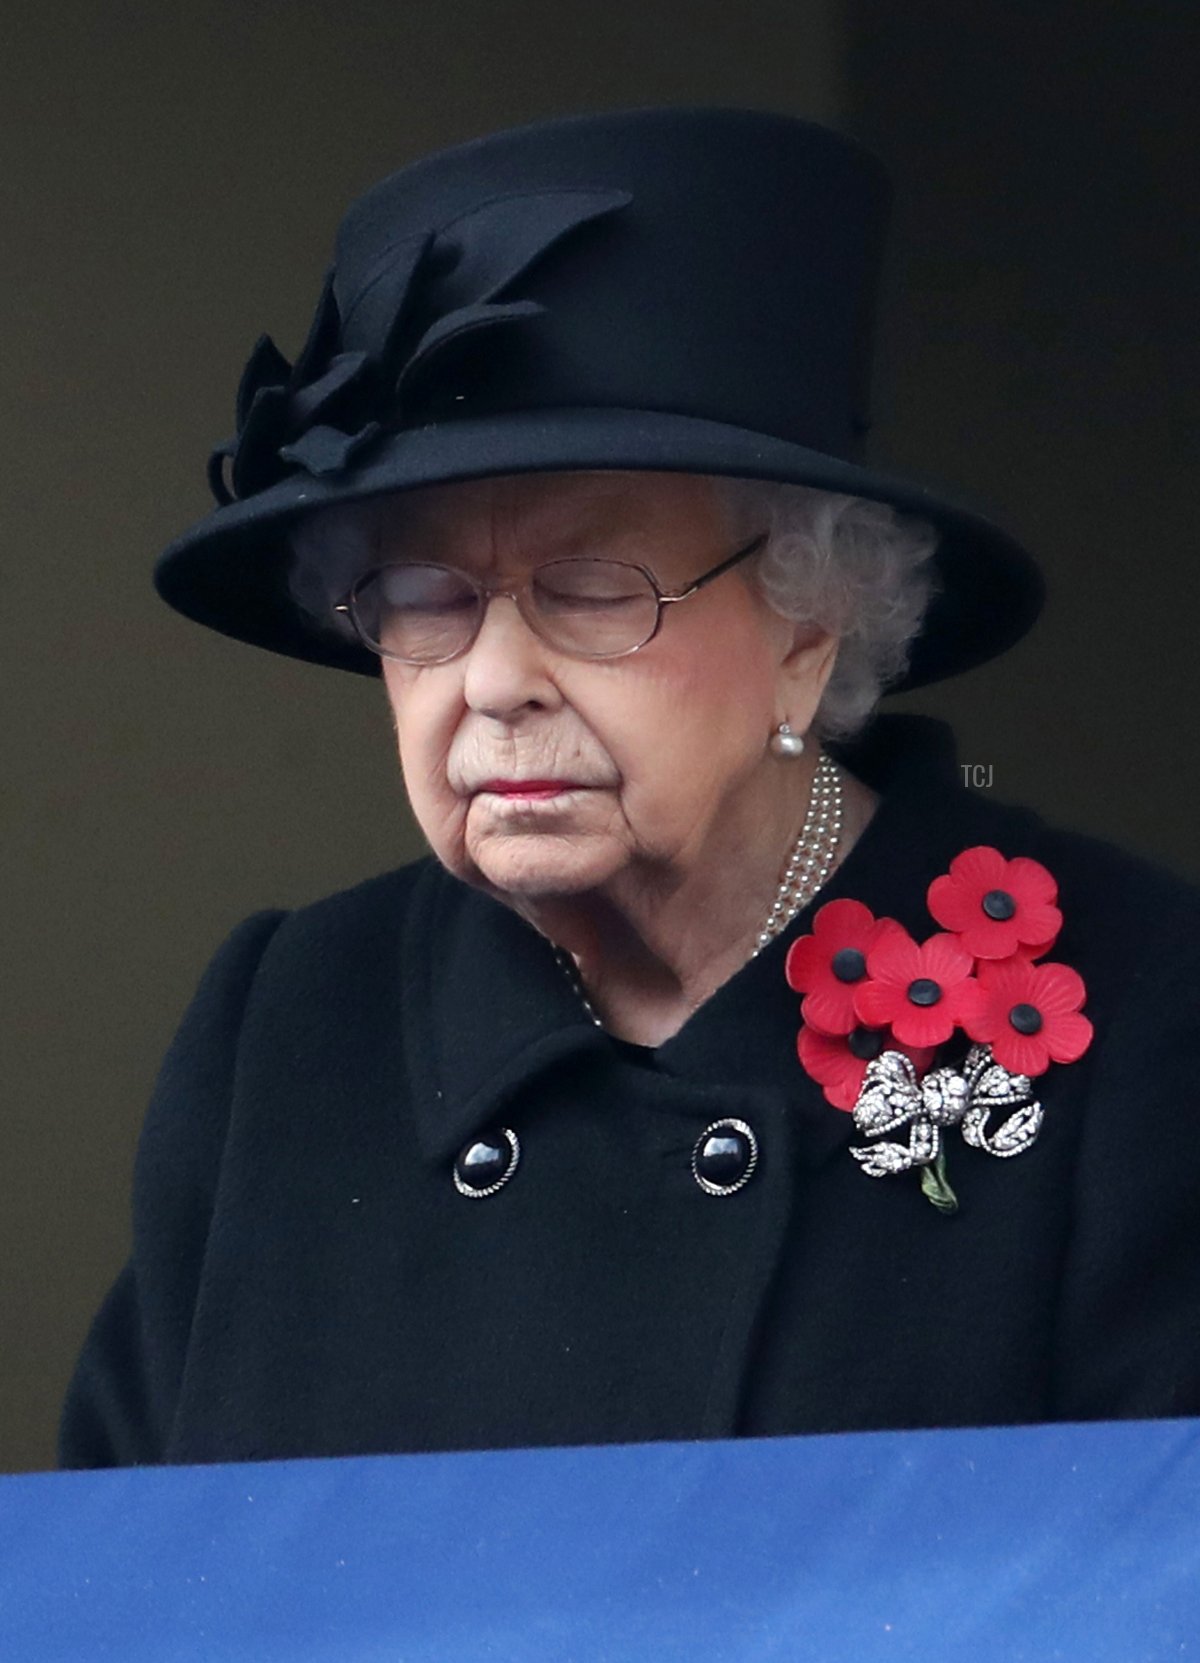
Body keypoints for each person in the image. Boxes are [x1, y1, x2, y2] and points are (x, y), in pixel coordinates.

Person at [59, 105, 1200, 1469]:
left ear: (807, 627)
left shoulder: (1140, 1011)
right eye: (423, 597)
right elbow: (124, 1587)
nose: (491, 681)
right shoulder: (286, 1029)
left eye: (592, 590)